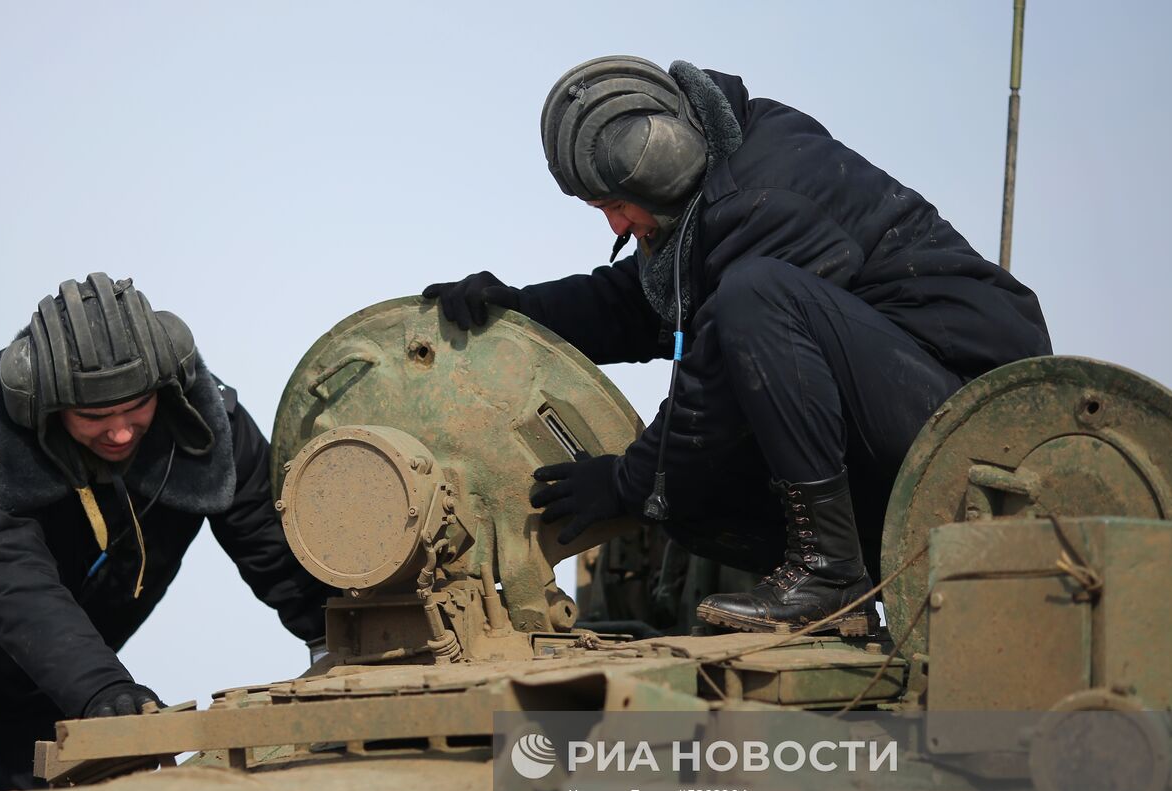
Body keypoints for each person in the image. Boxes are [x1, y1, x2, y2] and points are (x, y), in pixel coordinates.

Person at [425, 56, 1049, 635]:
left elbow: (723, 354)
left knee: (753, 304)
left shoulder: (762, 196)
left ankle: (828, 570)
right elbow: (643, 301)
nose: (615, 227)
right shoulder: (711, 188)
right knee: (690, 496)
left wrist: (627, 480)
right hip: (901, 413)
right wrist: (522, 312)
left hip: (976, 425)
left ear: (663, 165)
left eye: (615, 206)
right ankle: (840, 590)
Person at [0, 273, 328, 791]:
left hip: (61, 660)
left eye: (136, 409)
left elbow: (268, 538)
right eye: (94, 417)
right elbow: (4, 572)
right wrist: (100, 687)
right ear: (48, 405)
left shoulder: (207, 421)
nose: (122, 433)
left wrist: (330, 635)